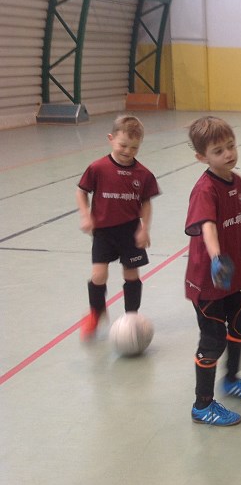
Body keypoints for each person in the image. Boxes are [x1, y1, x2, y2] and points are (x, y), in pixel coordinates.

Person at [185, 116, 241, 426]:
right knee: (213, 339)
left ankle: (231, 379)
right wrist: (217, 258)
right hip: (209, 280)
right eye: (218, 151)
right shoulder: (205, 190)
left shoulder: (238, 182)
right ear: (201, 157)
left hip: (231, 277)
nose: (228, 154)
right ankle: (202, 406)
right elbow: (208, 227)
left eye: (231, 146)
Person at [76, 115, 159, 340]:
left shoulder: (143, 174)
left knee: (131, 274)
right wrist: (85, 215)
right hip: (103, 232)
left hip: (130, 231)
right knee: (98, 274)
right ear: (111, 139)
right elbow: (81, 192)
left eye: (134, 147)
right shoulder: (98, 168)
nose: (128, 151)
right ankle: (96, 313)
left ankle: (131, 316)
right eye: (123, 145)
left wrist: (144, 228)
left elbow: (146, 203)